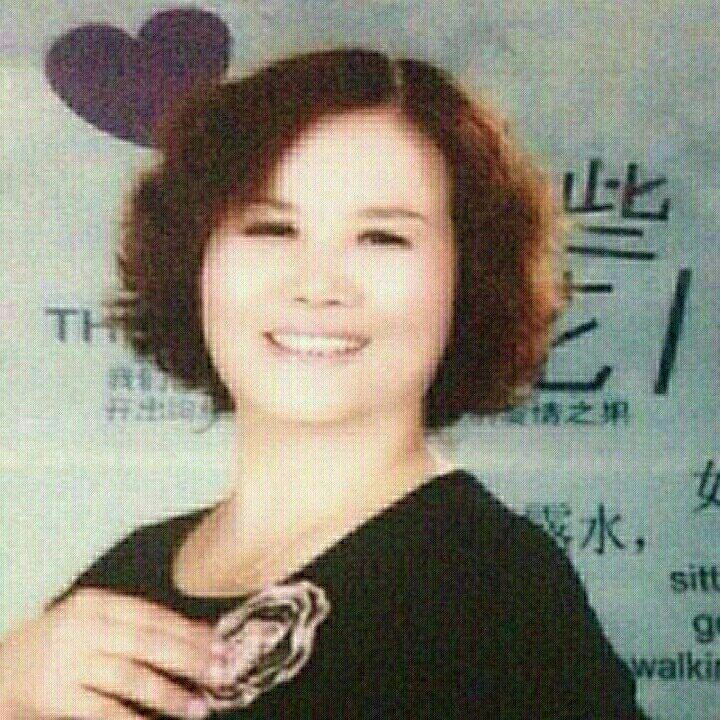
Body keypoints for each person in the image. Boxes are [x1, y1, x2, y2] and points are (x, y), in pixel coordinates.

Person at [0, 48, 649, 719]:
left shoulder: (497, 590)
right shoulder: (128, 575)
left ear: (471, 278)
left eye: (382, 238)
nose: (318, 285)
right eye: (272, 228)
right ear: (194, 264)